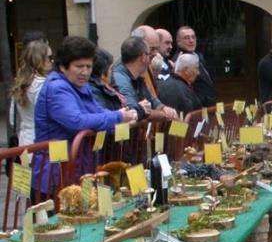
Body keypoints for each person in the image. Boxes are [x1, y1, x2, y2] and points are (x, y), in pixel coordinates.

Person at [33, 36, 137, 197]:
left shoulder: (80, 86)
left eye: (88, 66)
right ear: (62, 66)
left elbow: (97, 111)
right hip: (55, 173)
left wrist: (124, 118)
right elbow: (76, 121)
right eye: (79, 66)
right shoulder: (57, 88)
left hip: (77, 167)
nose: (85, 72)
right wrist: (118, 117)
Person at [111, 37, 177, 121]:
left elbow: (151, 99)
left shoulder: (138, 76)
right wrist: (164, 115)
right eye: (150, 52)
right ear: (143, 57)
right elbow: (133, 110)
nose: (155, 55)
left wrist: (164, 108)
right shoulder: (120, 79)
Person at [8, 40, 52, 149]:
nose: (52, 61)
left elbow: (12, 120)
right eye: (49, 57)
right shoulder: (42, 84)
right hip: (43, 143)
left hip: (24, 141)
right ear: (40, 60)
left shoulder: (20, 83)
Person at [174, 26, 216, 106]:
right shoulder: (179, 60)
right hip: (197, 107)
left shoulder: (199, 56)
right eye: (186, 38)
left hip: (209, 105)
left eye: (193, 37)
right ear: (178, 41)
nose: (191, 40)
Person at [130, 26, 161, 98]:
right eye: (152, 49)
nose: (155, 53)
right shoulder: (125, 71)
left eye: (157, 48)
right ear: (136, 46)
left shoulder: (147, 65)